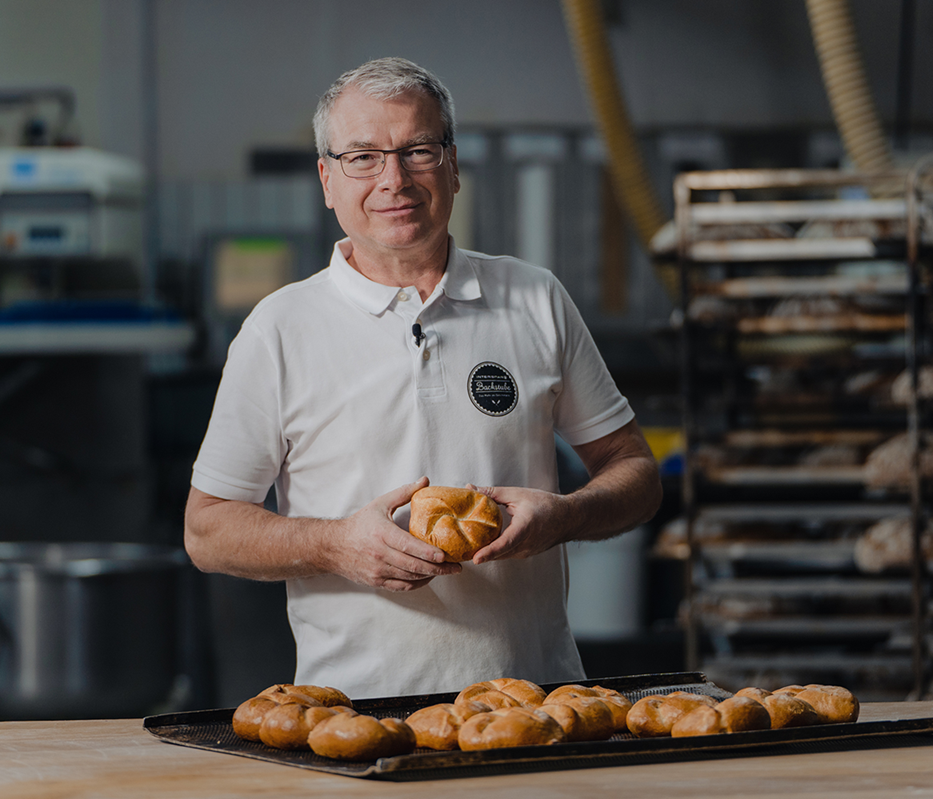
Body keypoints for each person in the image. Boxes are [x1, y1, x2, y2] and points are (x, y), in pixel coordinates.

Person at [184, 57, 661, 699]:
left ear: (454, 165)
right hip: (355, 718)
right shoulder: (279, 329)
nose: (394, 179)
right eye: (363, 157)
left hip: (538, 709)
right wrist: (336, 545)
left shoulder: (534, 298)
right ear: (327, 179)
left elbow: (635, 470)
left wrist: (565, 516)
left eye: (417, 150)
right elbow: (207, 528)